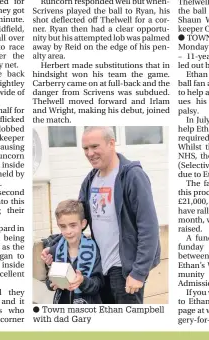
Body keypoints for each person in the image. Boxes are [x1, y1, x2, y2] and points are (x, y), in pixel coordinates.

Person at [41, 127, 160, 305]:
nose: (90, 153)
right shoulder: (90, 180)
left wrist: (139, 272)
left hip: (124, 269)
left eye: (95, 146)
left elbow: (148, 227)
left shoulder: (132, 176)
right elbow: (77, 220)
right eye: (85, 148)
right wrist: (53, 248)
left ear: (111, 144)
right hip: (97, 267)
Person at [43, 199, 103, 305]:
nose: (68, 231)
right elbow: (49, 281)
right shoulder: (54, 250)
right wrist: (52, 283)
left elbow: (98, 285)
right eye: (63, 226)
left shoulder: (94, 249)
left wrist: (83, 281)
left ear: (83, 224)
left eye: (73, 225)